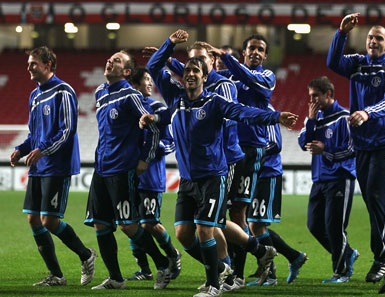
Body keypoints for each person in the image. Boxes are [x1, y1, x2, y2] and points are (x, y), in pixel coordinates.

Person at [141, 29, 297, 297]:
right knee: (183, 233)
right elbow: (155, 70)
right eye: (188, 68)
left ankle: (216, 281)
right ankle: (252, 254)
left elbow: (244, 112)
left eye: (197, 69)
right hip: (188, 178)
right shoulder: (177, 99)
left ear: (207, 73)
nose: (191, 73)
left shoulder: (217, 97)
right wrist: (169, 46)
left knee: (209, 227)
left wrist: (277, 117)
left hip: (217, 172)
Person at [327, 13, 385, 294]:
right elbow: (332, 62)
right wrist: (341, 33)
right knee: (376, 205)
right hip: (363, 145)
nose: (373, 41)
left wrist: (366, 112)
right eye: (370, 37)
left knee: (378, 198)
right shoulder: (358, 64)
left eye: (379, 38)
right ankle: (384, 260)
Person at [84, 50, 173, 290]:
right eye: (110, 57)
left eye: (117, 60)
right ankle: (116, 279)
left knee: (128, 225)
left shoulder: (131, 95)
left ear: (126, 72)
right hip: (101, 168)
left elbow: (153, 129)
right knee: (101, 224)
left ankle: (163, 263)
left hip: (123, 169)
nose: (110, 60)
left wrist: (145, 158)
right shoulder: (100, 92)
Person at [10, 46, 96, 287]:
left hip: (57, 165)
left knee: (49, 221)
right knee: (33, 220)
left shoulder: (63, 91)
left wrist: (43, 150)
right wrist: (21, 149)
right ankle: (56, 275)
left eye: (33, 63)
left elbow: (67, 130)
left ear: (48, 65)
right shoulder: (34, 95)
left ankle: (86, 255)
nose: (28, 67)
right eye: (28, 63)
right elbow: (33, 134)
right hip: (38, 165)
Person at [208, 34, 278, 283]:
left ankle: (236, 276)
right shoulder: (230, 77)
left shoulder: (266, 77)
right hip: (232, 151)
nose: (256, 52)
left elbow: (250, 79)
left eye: (261, 49)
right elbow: (202, 76)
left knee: (238, 213)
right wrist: (169, 60)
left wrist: (227, 58)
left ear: (265, 55)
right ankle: (244, 267)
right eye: (252, 48)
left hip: (252, 150)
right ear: (244, 51)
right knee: (225, 214)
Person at [298, 76, 358, 284]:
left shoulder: (344, 117)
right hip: (319, 179)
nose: (312, 100)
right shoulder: (314, 118)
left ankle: (341, 272)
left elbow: (352, 150)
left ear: (328, 94)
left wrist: (326, 150)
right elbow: (302, 143)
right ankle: (347, 252)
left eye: (316, 96)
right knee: (314, 225)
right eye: (310, 96)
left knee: (334, 227)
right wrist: (311, 120)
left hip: (340, 177)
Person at [124, 66, 182, 282]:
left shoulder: (158, 108)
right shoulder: (129, 107)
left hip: (151, 175)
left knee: (149, 222)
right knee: (131, 221)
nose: (150, 83)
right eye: (146, 80)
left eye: (150, 79)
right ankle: (145, 270)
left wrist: (152, 152)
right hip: (129, 174)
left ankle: (172, 254)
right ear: (134, 85)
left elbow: (171, 142)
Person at [246, 103, 307, 286]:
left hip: (267, 172)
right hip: (253, 173)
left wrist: (251, 153)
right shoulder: (244, 108)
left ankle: (271, 274)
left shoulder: (267, 110)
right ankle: (293, 256)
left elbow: (275, 144)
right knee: (254, 225)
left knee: (256, 225)